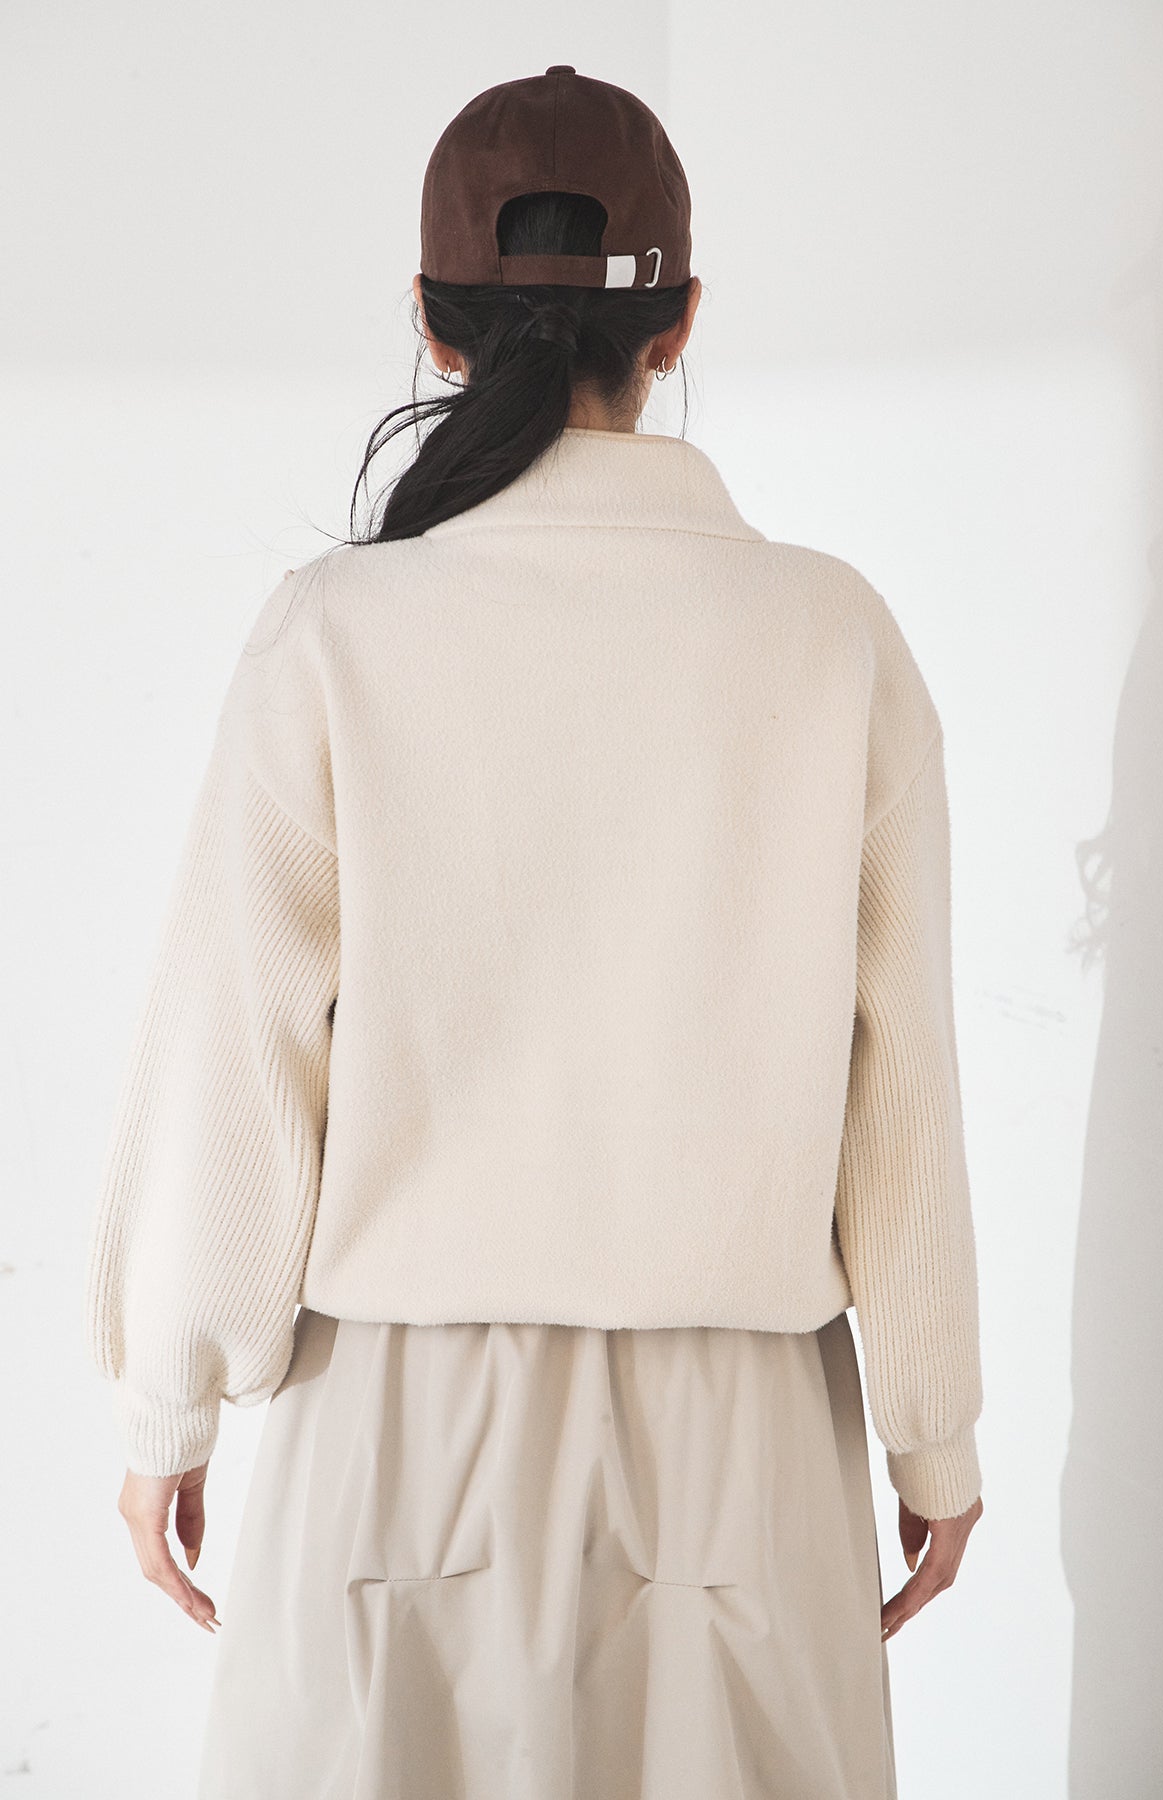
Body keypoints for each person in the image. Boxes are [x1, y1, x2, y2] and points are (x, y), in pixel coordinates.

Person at [83, 65, 984, 1800]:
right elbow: (903, 1079)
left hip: (397, 1439)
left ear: (432, 325)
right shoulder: (832, 638)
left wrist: (169, 1404)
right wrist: (933, 1435)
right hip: (741, 1449)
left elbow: (236, 1055)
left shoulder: (333, 634)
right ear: (679, 322)